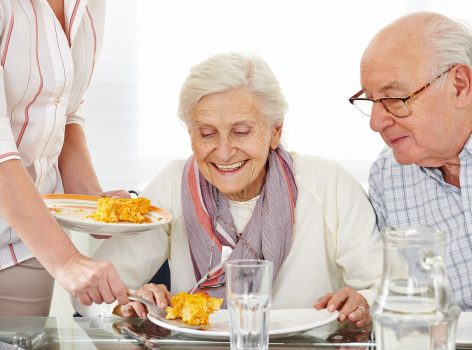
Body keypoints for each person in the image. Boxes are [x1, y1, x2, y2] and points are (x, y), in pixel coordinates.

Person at [74, 52, 382, 327]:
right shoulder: (174, 182)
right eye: (207, 134)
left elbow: (381, 287)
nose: (223, 153)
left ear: (276, 131)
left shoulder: (329, 183)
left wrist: (362, 301)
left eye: (241, 132)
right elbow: (90, 293)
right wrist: (127, 304)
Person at [0, 0, 129, 316]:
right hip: (42, 240)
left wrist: (91, 203)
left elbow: (65, 112)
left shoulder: (90, 5)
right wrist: (68, 261)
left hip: (27, 242)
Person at [349, 12, 472, 310]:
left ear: (459, 85)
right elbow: (396, 297)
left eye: (395, 98)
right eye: (371, 100)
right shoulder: (387, 175)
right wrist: (366, 302)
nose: (376, 123)